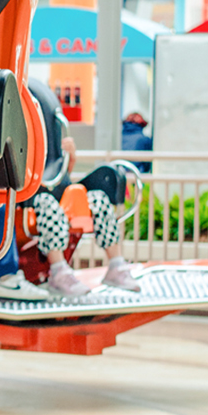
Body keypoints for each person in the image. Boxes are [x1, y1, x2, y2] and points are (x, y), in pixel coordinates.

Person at [26, 87, 138, 296]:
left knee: (99, 199)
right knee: (48, 205)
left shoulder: (56, 144)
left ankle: (116, 265)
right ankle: (58, 271)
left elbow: (61, 175)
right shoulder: (27, 145)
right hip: (35, 199)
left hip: (61, 193)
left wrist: (70, 158)